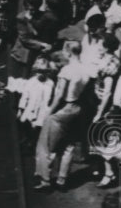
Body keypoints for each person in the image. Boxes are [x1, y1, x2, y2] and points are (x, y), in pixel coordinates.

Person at [33, 40, 92, 190]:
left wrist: (48, 112)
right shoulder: (86, 69)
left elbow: (59, 95)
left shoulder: (67, 70)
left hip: (63, 108)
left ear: (69, 52)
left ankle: (44, 180)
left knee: (45, 145)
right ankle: (62, 179)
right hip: (77, 107)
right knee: (68, 145)